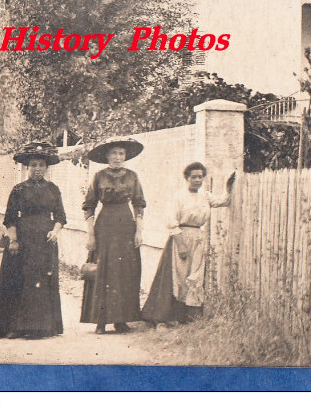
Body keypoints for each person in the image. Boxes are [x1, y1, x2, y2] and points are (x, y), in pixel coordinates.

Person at [142, 164, 237, 326]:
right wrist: (181, 245)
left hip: (198, 238)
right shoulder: (179, 196)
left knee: (195, 276)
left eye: (200, 177)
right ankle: (163, 318)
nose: (198, 180)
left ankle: (188, 317)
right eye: (194, 177)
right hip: (181, 237)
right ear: (187, 178)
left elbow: (223, 201)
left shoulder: (205, 196)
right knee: (177, 276)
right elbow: (171, 220)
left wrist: (228, 187)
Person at [0, 141, 66, 339]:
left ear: (47, 167)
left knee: (40, 281)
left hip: (45, 241)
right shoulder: (18, 190)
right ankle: (15, 326)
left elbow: (60, 217)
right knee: (18, 280)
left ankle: (41, 327)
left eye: (41, 165)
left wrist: (55, 232)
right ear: (27, 167)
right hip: (23, 240)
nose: (37, 169)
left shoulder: (53, 190)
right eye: (33, 165)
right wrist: (13, 240)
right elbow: (10, 217)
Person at [79, 137, 146, 334]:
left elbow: (139, 203)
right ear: (107, 156)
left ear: (125, 156)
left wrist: (139, 230)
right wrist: (90, 234)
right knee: (103, 270)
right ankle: (100, 320)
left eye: (121, 154)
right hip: (105, 226)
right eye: (114, 153)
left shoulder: (133, 176)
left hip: (126, 226)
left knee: (125, 271)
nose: (117, 157)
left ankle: (121, 320)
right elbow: (89, 205)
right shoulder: (99, 176)